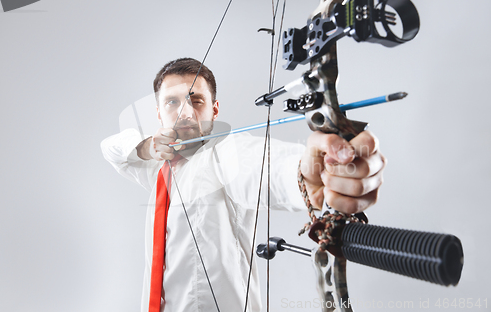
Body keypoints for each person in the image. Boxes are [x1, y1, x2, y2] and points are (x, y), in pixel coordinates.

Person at [101, 58, 385, 312]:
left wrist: (313, 171)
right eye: (172, 102)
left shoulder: (222, 155)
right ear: (159, 113)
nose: (185, 112)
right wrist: (147, 147)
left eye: (196, 100)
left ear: (214, 110)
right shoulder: (156, 169)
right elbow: (112, 148)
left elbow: (260, 165)